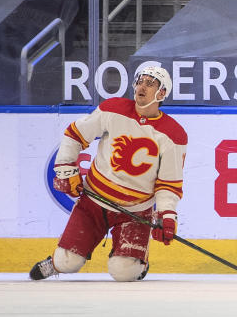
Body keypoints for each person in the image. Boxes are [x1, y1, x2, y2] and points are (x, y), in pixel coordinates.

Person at [29, 66, 187, 282]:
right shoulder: (114, 109)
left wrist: (167, 216)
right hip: (94, 201)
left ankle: (139, 263)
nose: (142, 86)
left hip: (136, 211)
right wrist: (66, 169)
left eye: (150, 84)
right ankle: (55, 264)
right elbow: (75, 134)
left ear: (161, 93)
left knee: (125, 273)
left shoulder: (173, 134)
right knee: (68, 262)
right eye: (140, 81)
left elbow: (169, 183)